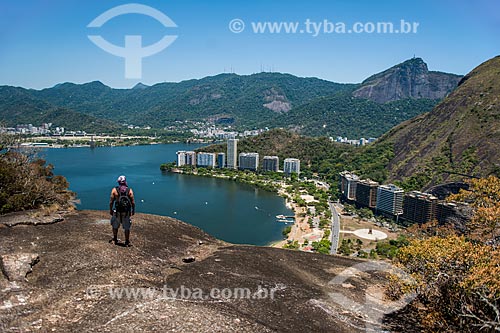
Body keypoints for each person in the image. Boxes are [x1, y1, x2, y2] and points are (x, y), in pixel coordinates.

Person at [109, 175, 135, 246]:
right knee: (126, 227)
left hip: (117, 211)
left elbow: (111, 202)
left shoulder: (114, 190)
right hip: (126, 212)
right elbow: (133, 202)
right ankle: (127, 241)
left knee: (115, 225)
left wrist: (111, 210)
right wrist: (133, 210)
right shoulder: (129, 190)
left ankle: (115, 239)